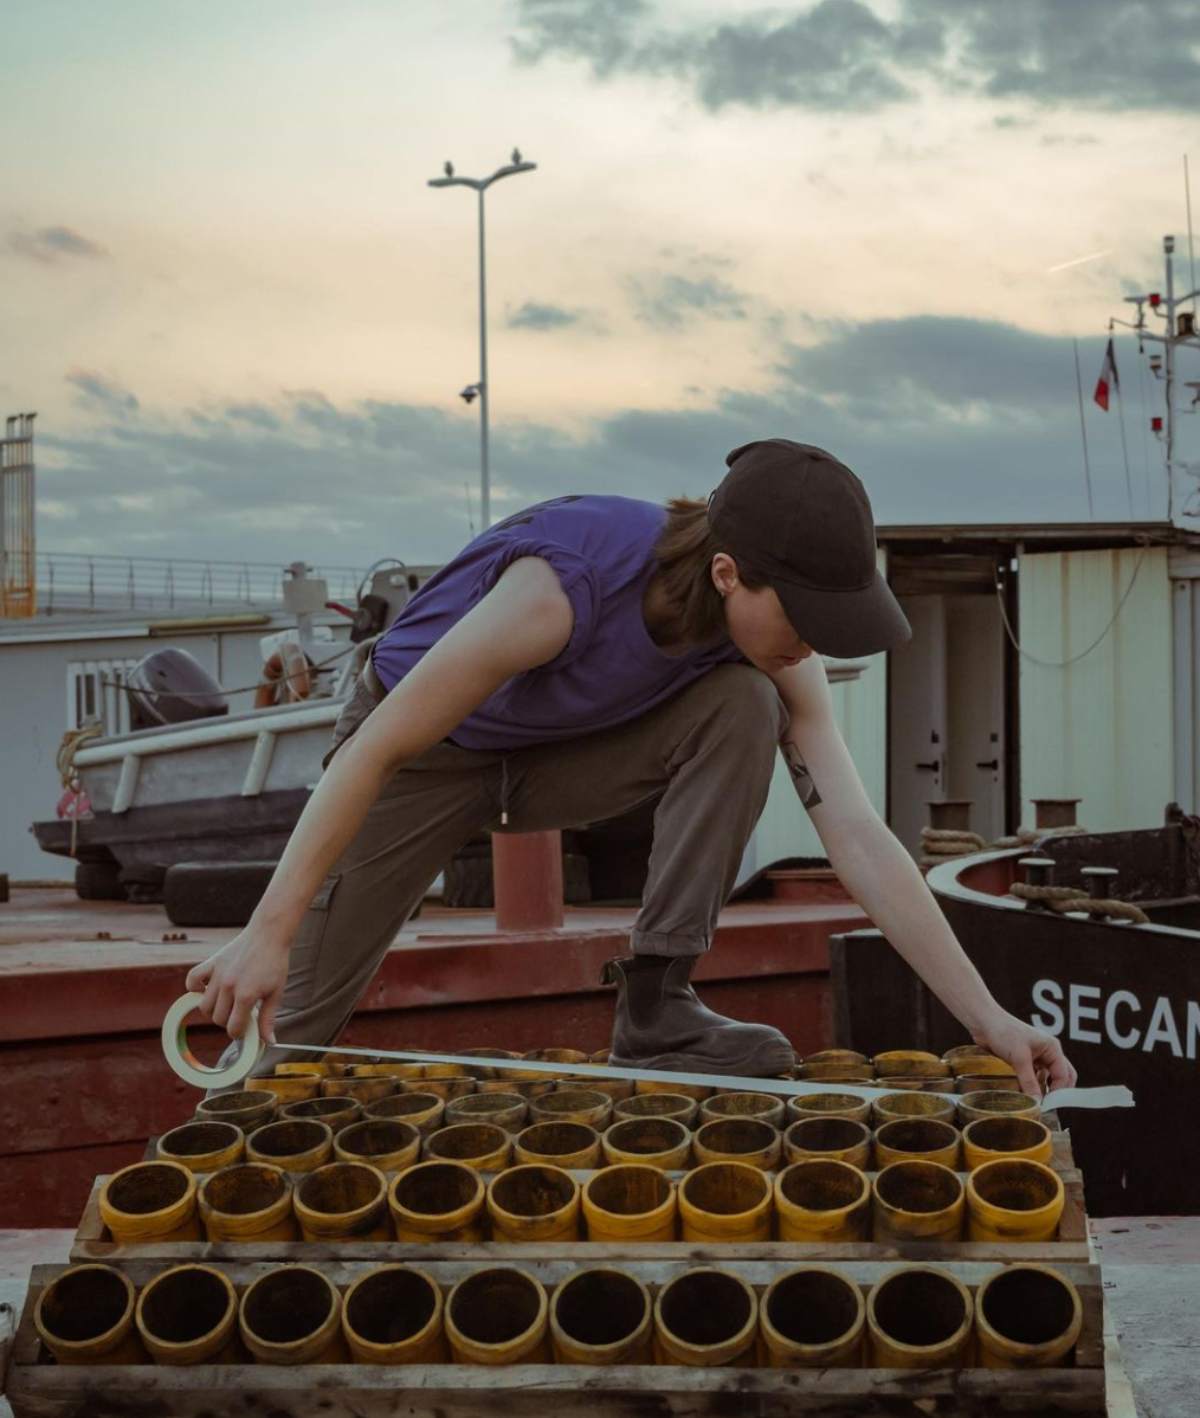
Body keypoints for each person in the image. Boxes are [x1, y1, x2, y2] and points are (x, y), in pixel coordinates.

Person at [187, 438, 1077, 1097]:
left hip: (550, 764)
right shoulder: (559, 588)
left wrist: (988, 1019)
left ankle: (656, 1004)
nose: (813, 642)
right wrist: (267, 931)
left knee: (744, 705)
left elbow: (855, 832)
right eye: (803, 614)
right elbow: (374, 750)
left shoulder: (773, 659)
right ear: (729, 573)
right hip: (418, 761)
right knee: (288, 1038)